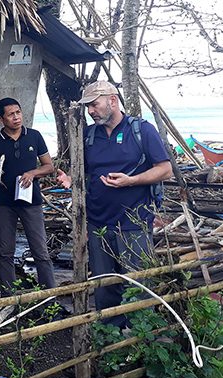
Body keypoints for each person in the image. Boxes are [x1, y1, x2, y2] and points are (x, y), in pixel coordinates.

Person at [57, 80, 172, 327]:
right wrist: (70, 180)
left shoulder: (141, 130)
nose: (90, 112)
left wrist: (131, 181)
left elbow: (165, 170)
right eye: (87, 107)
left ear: (112, 100)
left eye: (94, 105)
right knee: (104, 285)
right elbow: (82, 173)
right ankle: (110, 341)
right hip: (98, 223)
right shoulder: (88, 135)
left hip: (133, 222)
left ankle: (140, 338)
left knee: (138, 283)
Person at [0, 97, 57, 293]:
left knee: (40, 251)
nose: (16, 117)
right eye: (10, 114)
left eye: (18, 112)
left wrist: (33, 173)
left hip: (31, 202)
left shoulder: (34, 136)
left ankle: (50, 297)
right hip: (4, 204)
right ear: (1, 119)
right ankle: (10, 297)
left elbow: (49, 166)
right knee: (6, 252)